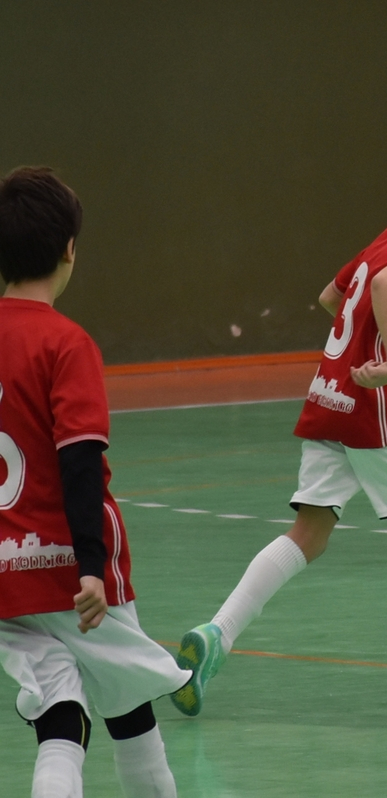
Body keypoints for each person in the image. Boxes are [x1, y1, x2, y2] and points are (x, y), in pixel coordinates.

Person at [172, 150, 387, 723]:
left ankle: (217, 634)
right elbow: (386, 283)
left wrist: (359, 347)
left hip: (328, 398)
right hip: (375, 410)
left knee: (309, 533)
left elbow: (332, 297)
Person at [0, 167, 190, 797]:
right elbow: (79, 461)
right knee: (130, 706)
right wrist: (89, 564)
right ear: (69, 251)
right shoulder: (65, 343)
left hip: (5, 575)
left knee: (59, 715)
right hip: (68, 569)